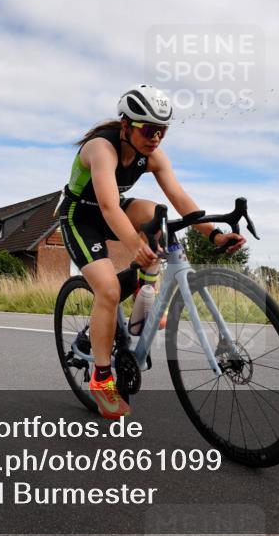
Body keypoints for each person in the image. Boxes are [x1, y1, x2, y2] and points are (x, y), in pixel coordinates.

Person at [59, 84, 246, 419]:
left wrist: (214, 235)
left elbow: (181, 199)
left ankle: (146, 293)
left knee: (158, 213)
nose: (156, 137)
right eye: (148, 129)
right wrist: (135, 246)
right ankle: (102, 381)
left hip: (112, 209)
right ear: (127, 125)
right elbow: (106, 204)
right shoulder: (102, 147)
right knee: (109, 289)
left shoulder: (153, 155)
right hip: (80, 216)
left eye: (163, 130)